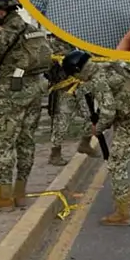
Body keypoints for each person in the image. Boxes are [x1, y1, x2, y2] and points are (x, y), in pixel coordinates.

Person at [61, 50, 130, 226]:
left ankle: (123, 213)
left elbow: (108, 111)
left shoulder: (98, 79)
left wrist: (97, 129)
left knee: (116, 163)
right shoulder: (112, 65)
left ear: (78, 70)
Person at [0, 0, 54, 211]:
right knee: (26, 142)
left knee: (3, 143)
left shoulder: (6, 35)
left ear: (1, 12)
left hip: (12, 94)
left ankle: (5, 197)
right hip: (35, 91)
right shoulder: (34, 31)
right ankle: (21, 194)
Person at [45, 33, 98, 165]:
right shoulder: (50, 45)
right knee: (62, 122)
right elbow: (46, 66)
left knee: (92, 117)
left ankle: (85, 144)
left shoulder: (77, 42)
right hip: (64, 89)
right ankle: (55, 153)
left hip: (81, 87)